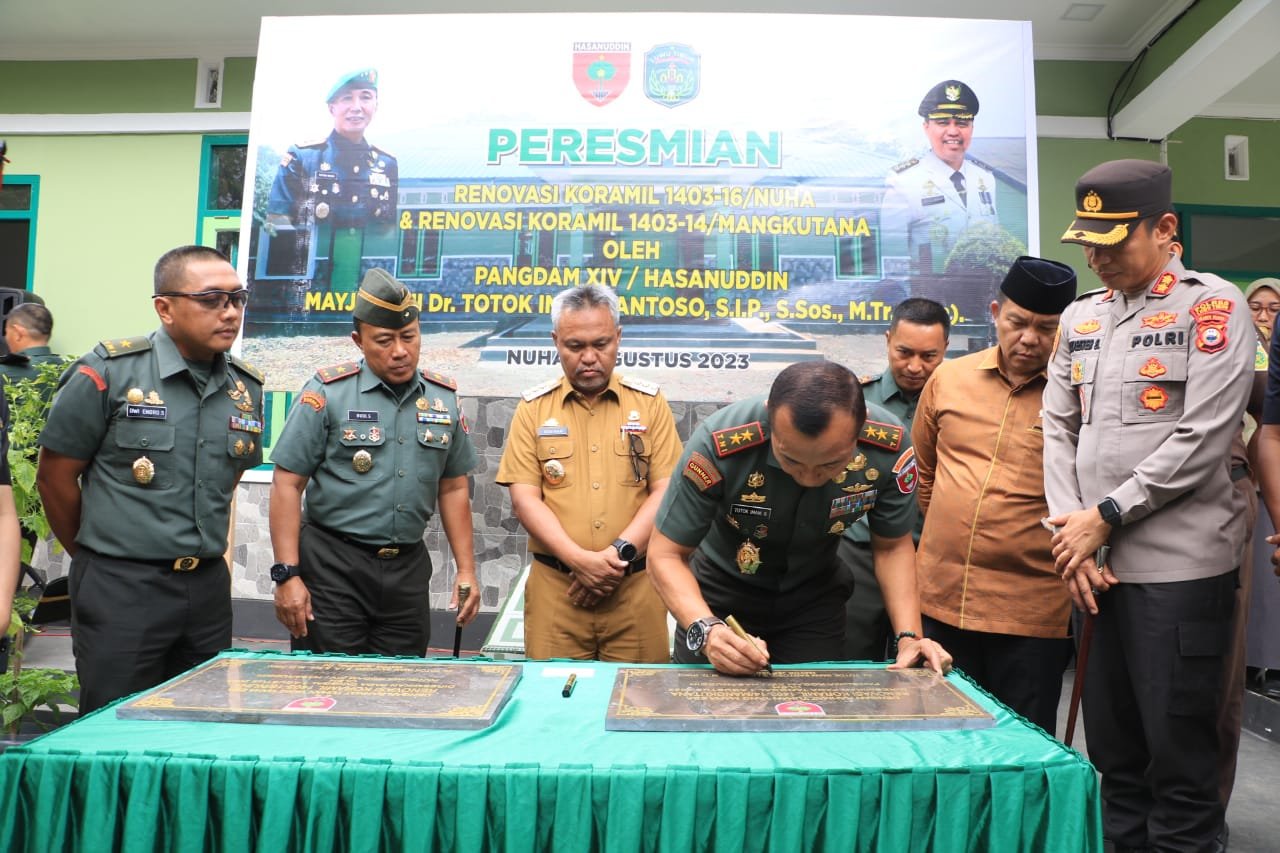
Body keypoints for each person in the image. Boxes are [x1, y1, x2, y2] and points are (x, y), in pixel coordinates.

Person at [1044, 159, 1252, 851]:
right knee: (1116, 756)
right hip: (1094, 567)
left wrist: (1103, 515)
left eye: (1114, 242)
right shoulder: (1080, 316)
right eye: (1088, 244)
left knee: (1180, 760)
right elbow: (1057, 429)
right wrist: (1071, 533)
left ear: (1165, 228)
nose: (1098, 259)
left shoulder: (1211, 307)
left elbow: (1205, 434)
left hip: (1179, 570)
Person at [36, 245, 264, 713]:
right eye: (212, 300)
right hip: (122, 586)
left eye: (237, 299)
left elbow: (224, 481)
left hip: (205, 588)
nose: (229, 312)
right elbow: (54, 478)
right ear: (165, 308)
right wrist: (96, 556)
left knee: (200, 723)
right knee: (114, 722)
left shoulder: (245, 389)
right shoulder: (109, 372)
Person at [647, 360, 952, 676]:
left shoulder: (888, 447)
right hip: (717, 596)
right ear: (770, 416)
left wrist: (909, 639)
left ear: (860, 428)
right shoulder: (718, 443)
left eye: (829, 464)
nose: (809, 478)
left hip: (814, 601)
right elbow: (666, 554)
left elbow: (892, 547)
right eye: (791, 460)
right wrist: (706, 629)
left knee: (812, 702)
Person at [269, 267, 479, 655]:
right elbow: (287, 482)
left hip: (406, 572)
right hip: (332, 566)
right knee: (328, 680)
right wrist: (287, 574)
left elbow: (453, 487)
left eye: (409, 336)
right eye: (384, 340)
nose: (400, 350)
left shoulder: (442, 399)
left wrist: (466, 570)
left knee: (400, 681)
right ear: (359, 341)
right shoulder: (328, 393)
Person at [912, 256, 1077, 734]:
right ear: (995, 312)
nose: (1028, 339)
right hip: (940, 603)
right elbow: (925, 473)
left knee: (1020, 744)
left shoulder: (1079, 394)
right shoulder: (949, 379)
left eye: (1046, 329)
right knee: (938, 739)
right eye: (1017, 322)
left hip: (1031, 611)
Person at [495, 284, 681, 662]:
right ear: (556, 342)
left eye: (601, 344)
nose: (590, 357)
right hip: (558, 593)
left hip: (635, 591)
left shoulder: (649, 404)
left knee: (638, 696)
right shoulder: (533, 409)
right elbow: (525, 500)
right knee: (551, 697)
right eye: (575, 346)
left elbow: (665, 491)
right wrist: (579, 561)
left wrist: (615, 557)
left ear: (618, 338)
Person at [839, 297, 950, 660]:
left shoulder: (961, 402)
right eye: (904, 352)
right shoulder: (854, 400)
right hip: (861, 552)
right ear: (888, 340)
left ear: (946, 348)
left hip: (934, 556)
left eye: (929, 356)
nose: (915, 367)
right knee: (854, 663)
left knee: (924, 661)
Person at [880, 80, 999, 280]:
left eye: (962, 123)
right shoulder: (904, 182)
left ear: (972, 127)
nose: (953, 131)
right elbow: (893, 261)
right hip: (930, 295)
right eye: (943, 122)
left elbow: (995, 244)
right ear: (926, 127)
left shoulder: (985, 179)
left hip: (983, 293)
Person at [266, 68, 398, 232]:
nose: (356, 107)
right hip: (310, 249)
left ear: (376, 106)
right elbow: (277, 221)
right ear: (331, 108)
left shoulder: (386, 164)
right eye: (347, 98)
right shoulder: (302, 157)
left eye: (365, 97)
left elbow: (388, 231)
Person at [0, 303, 61, 384]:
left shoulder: (4, 371)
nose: (6, 337)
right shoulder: (68, 369)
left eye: (6, 332)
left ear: (18, 333)